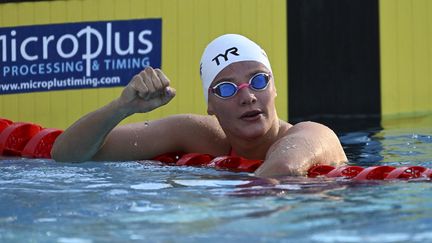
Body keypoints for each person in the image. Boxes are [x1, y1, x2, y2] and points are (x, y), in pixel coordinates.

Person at [52, 34, 347, 177]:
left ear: (274, 87)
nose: (247, 96)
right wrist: (121, 107)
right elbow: (68, 154)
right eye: (228, 88)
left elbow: (283, 168)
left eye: (258, 81)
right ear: (210, 105)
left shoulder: (311, 135)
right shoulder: (198, 134)